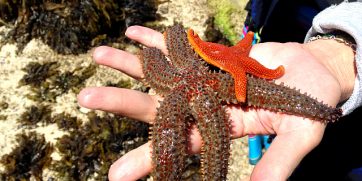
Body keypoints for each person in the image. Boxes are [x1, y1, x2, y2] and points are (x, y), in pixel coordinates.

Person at [77, 1, 361, 181]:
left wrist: (335, 64)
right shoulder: (191, 73)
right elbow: (171, 43)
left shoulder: (196, 78)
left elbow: (174, 41)